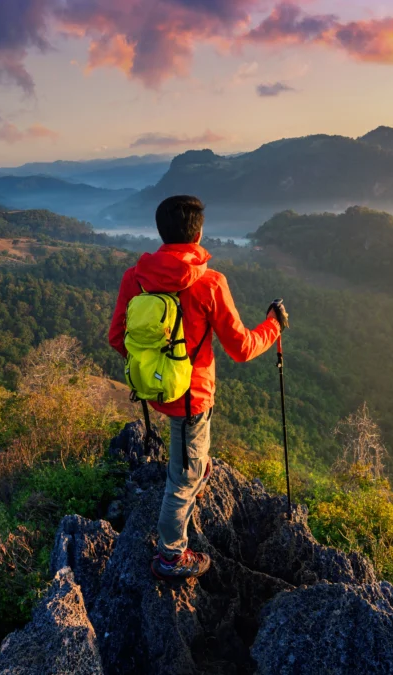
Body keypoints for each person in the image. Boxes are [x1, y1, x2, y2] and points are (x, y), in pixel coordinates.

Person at [108, 195, 289, 581]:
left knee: (190, 456)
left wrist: (154, 367)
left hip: (157, 391)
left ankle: (197, 468)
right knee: (181, 481)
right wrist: (273, 326)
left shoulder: (135, 278)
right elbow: (240, 348)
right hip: (193, 397)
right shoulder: (210, 283)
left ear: (161, 232)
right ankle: (170, 557)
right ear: (199, 233)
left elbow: (117, 337)